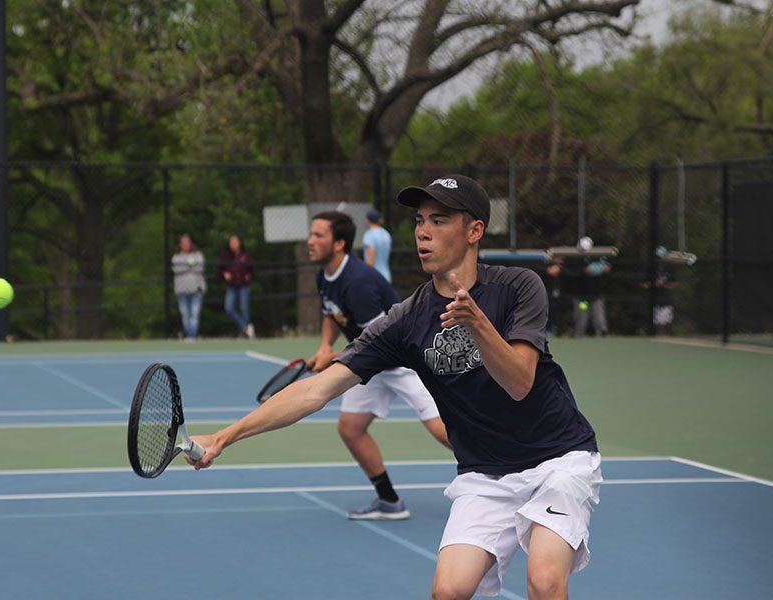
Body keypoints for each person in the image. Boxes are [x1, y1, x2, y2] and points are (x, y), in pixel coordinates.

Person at [188, 174, 601, 600]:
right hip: (485, 473)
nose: (423, 231)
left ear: (474, 230)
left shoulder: (517, 288)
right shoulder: (405, 320)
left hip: (557, 459)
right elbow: (316, 390)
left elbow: (519, 382)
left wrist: (478, 324)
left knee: (546, 582)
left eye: (439, 220)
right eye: (420, 220)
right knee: (448, 591)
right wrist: (224, 436)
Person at [306, 210, 451, 520]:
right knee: (351, 428)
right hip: (370, 363)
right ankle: (389, 501)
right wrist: (324, 346)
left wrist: (333, 360)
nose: (310, 240)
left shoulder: (358, 283)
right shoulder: (325, 274)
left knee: (446, 433)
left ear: (340, 243)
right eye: (311, 234)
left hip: (405, 358)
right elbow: (332, 312)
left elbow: (379, 341)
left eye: (319, 235)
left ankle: (515, 471)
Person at [217, 234, 255, 339]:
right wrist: (224, 273)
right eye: (231, 242)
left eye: (235, 241)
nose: (233, 244)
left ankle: (245, 333)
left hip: (244, 286)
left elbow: (253, 269)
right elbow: (219, 269)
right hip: (232, 286)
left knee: (244, 309)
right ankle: (246, 327)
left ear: (239, 242)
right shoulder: (226, 256)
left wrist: (249, 275)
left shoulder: (246, 255)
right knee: (229, 308)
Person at [573, 237, 611, 337]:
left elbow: (605, 270)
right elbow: (584, 271)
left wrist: (599, 269)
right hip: (582, 298)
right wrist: (594, 269)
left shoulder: (597, 258)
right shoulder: (577, 260)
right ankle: (579, 336)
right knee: (582, 319)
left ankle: (602, 336)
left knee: (599, 319)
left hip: (595, 297)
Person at [171, 234, 206, 340]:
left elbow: (200, 268)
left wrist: (185, 266)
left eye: (187, 243)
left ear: (190, 244)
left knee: (194, 314)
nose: (185, 245)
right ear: (180, 245)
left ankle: (192, 336)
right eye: (183, 243)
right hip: (182, 291)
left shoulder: (198, 255)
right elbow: (177, 269)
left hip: (196, 290)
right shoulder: (176, 257)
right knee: (185, 315)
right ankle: (190, 334)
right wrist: (190, 265)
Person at [642, 247, 676, 336]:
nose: (660, 259)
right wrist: (654, 284)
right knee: (656, 323)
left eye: (661, 257)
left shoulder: (669, 269)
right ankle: (657, 336)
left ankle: (664, 336)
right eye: (658, 257)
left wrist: (664, 284)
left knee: (665, 322)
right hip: (654, 300)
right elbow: (644, 285)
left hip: (665, 299)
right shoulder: (651, 269)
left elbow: (674, 285)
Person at [362, 208, 393, 283]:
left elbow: (371, 256)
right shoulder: (386, 234)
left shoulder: (369, 235)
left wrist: (364, 276)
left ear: (367, 220)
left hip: (373, 277)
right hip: (386, 276)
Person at [543, 256, 564, 337]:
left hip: (559, 299)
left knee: (556, 312)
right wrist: (547, 271)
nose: (559, 259)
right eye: (557, 257)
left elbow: (575, 271)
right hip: (547, 298)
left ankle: (554, 331)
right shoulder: (544, 265)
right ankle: (546, 330)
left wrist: (560, 270)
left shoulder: (564, 268)